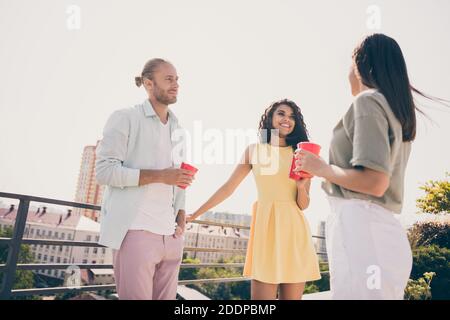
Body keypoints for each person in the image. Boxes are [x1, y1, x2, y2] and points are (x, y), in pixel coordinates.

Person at [295, 33, 446, 299]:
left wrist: (321, 168)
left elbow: (374, 182)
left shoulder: (368, 102)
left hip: (361, 226)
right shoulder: (394, 110)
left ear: (361, 66)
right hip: (376, 229)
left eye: (351, 64)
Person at [187, 99, 321, 300]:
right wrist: (196, 213)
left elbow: (303, 205)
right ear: (270, 118)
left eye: (292, 116)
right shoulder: (254, 150)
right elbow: (228, 188)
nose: (287, 119)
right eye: (281, 114)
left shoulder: (300, 154)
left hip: (294, 232)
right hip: (266, 232)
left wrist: (302, 187)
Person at [95, 58, 193, 300]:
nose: (176, 84)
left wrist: (180, 214)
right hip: (135, 233)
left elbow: (178, 182)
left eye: (177, 79)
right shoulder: (125, 117)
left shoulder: (179, 129)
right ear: (149, 83)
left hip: (171, 238)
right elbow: (104, 172)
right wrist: (160, 176)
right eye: (168, 79)